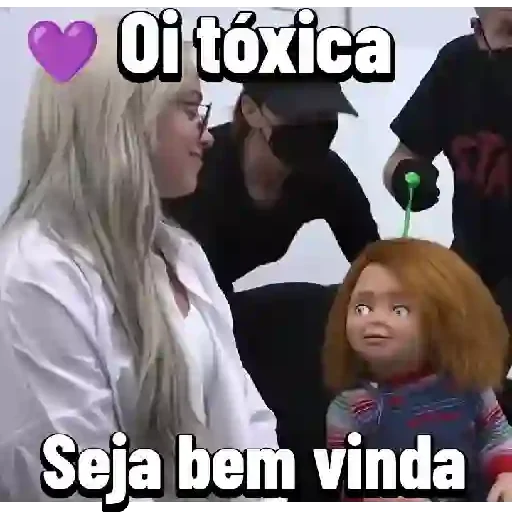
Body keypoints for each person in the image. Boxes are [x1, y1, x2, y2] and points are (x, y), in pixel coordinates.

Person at [0, 18, 279, 502]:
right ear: (128, 118)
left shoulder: (180, 253)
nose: (208, 136)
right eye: (191, 109)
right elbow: (76, 477)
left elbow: (248, 421)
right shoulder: (35, 273)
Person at [165, 81, 379, 500]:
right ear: (251, 111)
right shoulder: (203, 176)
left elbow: (374, 263)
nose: (313, 127)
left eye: (325, 116)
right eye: (298, 115)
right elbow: (198, 303)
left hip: (220, 297)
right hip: (180, 303)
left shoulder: (323, 173)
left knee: (329, 311)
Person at [382, 6, 512, 418]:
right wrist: (405, 176)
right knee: (450, 401)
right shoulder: (457, 65)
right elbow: (402, 157)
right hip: (474, 263)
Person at [324, 237, 512, 502]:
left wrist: (506, 474)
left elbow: (496, 438)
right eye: (362, 308)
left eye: (399, 309)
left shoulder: (469, 386)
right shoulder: (352, 408)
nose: (375, 319)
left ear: (445, 318)